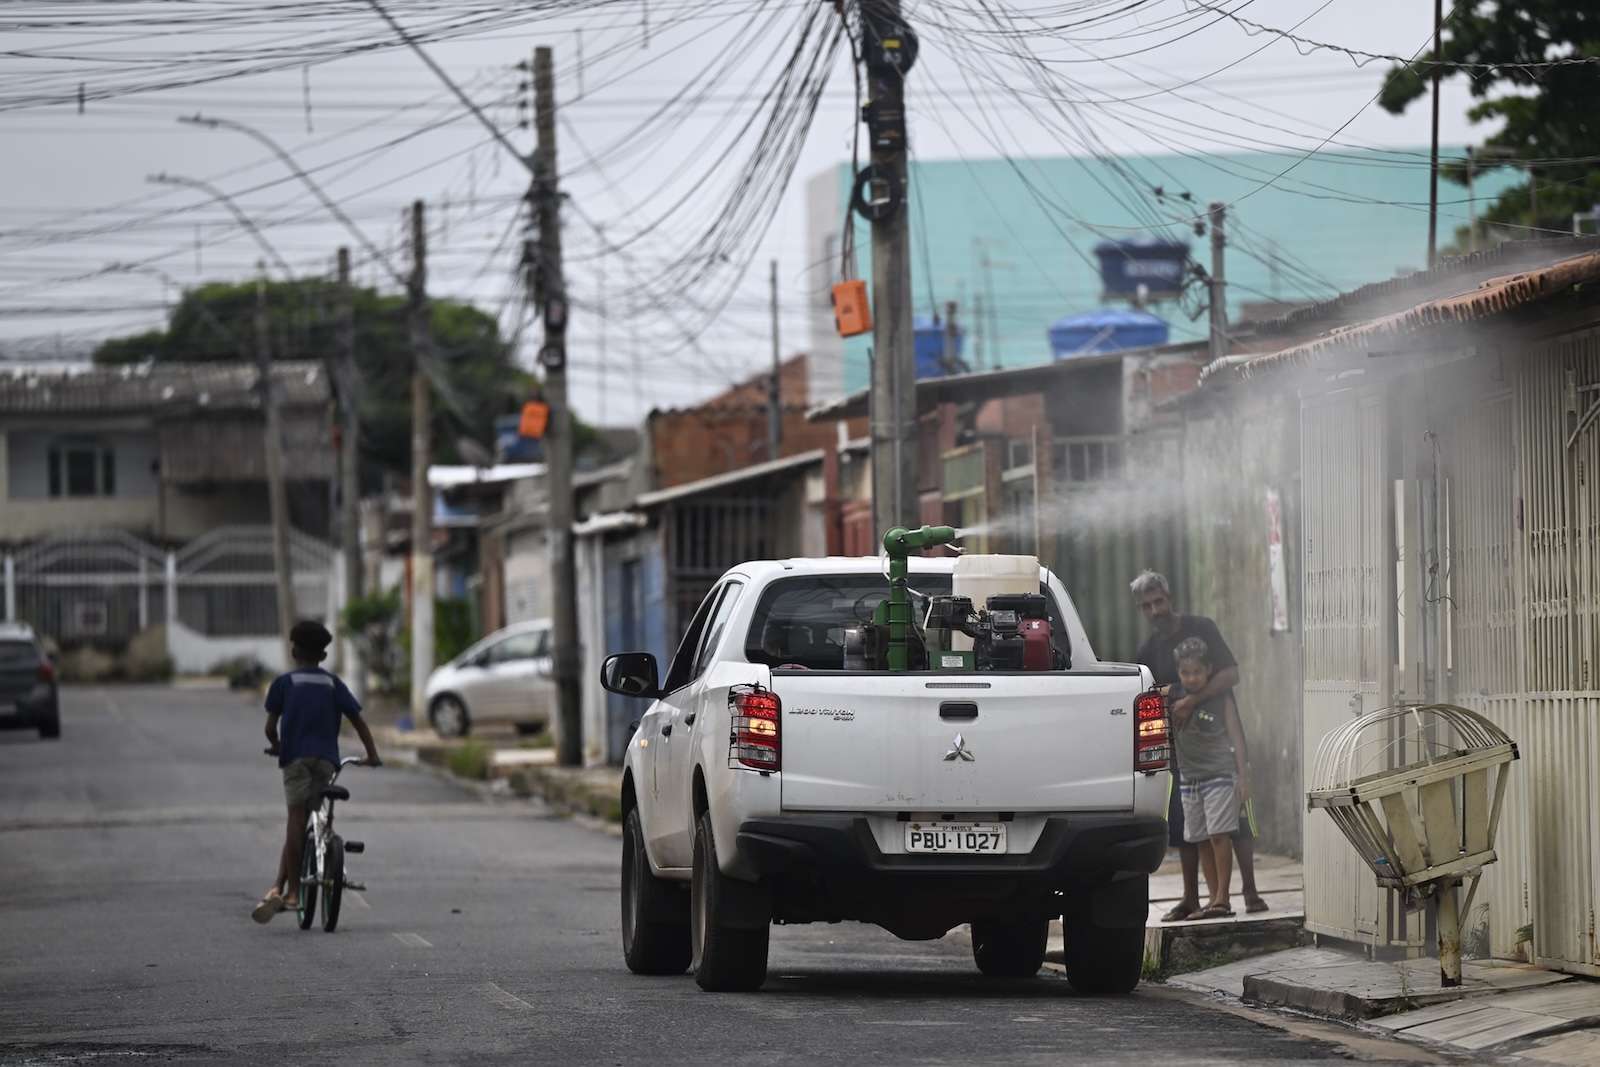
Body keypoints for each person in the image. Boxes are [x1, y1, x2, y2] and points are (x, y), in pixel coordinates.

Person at [1130, 570, 1268, 921]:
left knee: (1236, 823)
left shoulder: (1202, 628)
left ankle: (1248, 891)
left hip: (1223, 744)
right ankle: (1193, 898)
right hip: (1183, 756)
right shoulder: (1148, 650)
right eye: (1146, 605)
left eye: (1158, 601)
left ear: (1170, 598)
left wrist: (1191, 701)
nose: (1154, 609)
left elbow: (1231, 674)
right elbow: (1148, 695)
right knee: (1187, 827)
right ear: (1140, 609)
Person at [252, 619, 380, 923]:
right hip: (326, 762)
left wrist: (277, 744)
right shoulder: (333, 684)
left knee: (295, 821)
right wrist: (372, 754)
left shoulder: (284, 683)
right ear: (323, 656)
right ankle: (278, 885)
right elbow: (359, 721)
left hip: (295, 758)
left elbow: (270, 727)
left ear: (294, 651)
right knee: (309, 817)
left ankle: (292, 892)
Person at [1171, 636, 1251, 919]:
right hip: (1189, 781)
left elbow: (1236, 738)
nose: (1192, 678)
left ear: (1209, 669)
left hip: (1219, 776)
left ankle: (1223, 898)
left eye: (1197, 672)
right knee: (1202, 839)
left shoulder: (1221, 697)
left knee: (1219, 836)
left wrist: (1242, 777)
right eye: (1185, 672)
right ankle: (1212, 900)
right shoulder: (1173, 697)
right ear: (1178, 672)